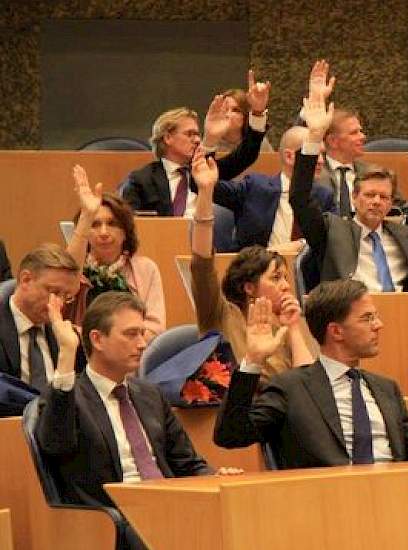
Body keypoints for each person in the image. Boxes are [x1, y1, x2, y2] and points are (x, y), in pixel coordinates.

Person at [35, 292, 241, 550]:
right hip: (112, 520)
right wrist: (66, 355)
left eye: (143, 333)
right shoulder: (66, 398)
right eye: (131, 334)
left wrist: (216, 477)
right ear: (97, 339)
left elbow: (186, 463)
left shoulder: (150, 395)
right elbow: (56, 445)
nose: (143, 343)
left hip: (169, 506)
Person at [213, 280, 408, 467]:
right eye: (367, 318)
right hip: (328, 509)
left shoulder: (386, 389)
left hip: (397, 501)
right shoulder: (291, 388)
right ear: (336, 331)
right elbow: (230, 436)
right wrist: (253, 361)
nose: (379, 325)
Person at [190, 148, 318, 381]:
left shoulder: (289, 322)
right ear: (249, 287)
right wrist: (206, 192)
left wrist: (295, 329)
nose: (287, 287)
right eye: (276, 278)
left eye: (286, 279)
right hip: (238, 408)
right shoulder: (220, 314)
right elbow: (202, 262)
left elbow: (308, 385)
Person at [291, 86, 408, 291]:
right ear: (354, 197)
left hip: (401, 314)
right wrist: (314, 137)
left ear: (391, 203)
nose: (376, 202)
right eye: (370, 195)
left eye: (383, 197)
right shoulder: (331, 232)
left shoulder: (404, 236)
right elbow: (300, 199)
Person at [122, 70, 270, 217]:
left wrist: (257, 113)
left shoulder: (206, 171)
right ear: (168, 138)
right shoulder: (141, 180)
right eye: (189, 134)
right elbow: (130, 225)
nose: (197, 140)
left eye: (198, 134)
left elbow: (246, 155)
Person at [68, 166, 165, 340]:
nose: (104, 232)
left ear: (125, 230)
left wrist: (117, 344)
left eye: (112, 224)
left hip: (133, 352)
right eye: (95, 224)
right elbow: (66, 278)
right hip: (81, 349)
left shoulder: (146, 269)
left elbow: (154, 329)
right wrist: (86, 216)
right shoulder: (77, 266)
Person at [209, 124, 336, 251]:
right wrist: (210, 142)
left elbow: (334, 239)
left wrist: (301, 244)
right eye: (314, 153)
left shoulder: (325, 196)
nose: (321, 161)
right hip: (256, 267)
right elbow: (206, 186)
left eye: (322, 154)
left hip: (305, 269)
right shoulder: (255, 187)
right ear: (289, 157)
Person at [0, 244, 82, 388]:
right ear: (26, 280)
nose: (60, 303)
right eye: (54, 292)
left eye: (67, 297)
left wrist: (68, 351)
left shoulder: (66, 338)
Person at [303, 61, 370, 218]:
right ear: (333, 141)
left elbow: (400, 209)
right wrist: (315, 100)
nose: (363, 137)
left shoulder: (373, 172)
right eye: (354, 133)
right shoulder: (314, 173)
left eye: (361, 131)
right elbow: (298, 142)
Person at [214, 85, 275, 154]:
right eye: (224, 109)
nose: (228, 114)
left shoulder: (259, 143)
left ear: (245, 115)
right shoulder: (211, 144)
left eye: (235, 110)